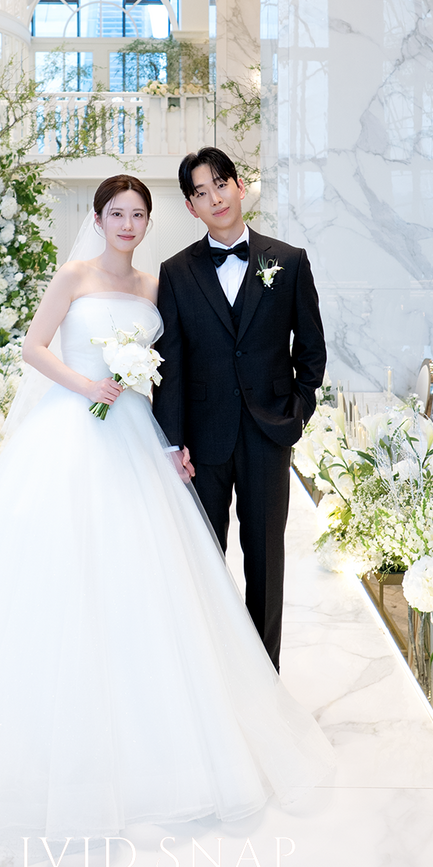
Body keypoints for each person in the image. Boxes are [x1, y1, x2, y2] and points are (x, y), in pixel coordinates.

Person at [0, 173, 330, 858]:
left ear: (152, 220)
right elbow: (33, 347)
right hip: (71, 429)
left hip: (136, 434)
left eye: (137, 213)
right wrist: (86, 382)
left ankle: (194, 714)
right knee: (58, 573)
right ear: (97, 219)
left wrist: (170, 432)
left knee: (152, 578)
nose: (127, 223)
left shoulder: (158, 285)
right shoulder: (74, 276)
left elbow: (176, 361)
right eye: (116, 213)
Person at [152, 148, 327, 671]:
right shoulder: (175, 272)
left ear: (240, 186)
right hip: (202, 441)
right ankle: (211, 673)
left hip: (269, 434)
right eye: (201, 193)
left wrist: (295, 413)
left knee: (266, 559)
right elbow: (170, 365)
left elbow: (311, 352)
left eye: (221, 184)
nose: (215, 198)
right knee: (204, 558)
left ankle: (264, 677)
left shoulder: (287, 260)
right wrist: (172, 441)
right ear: (190, 207)